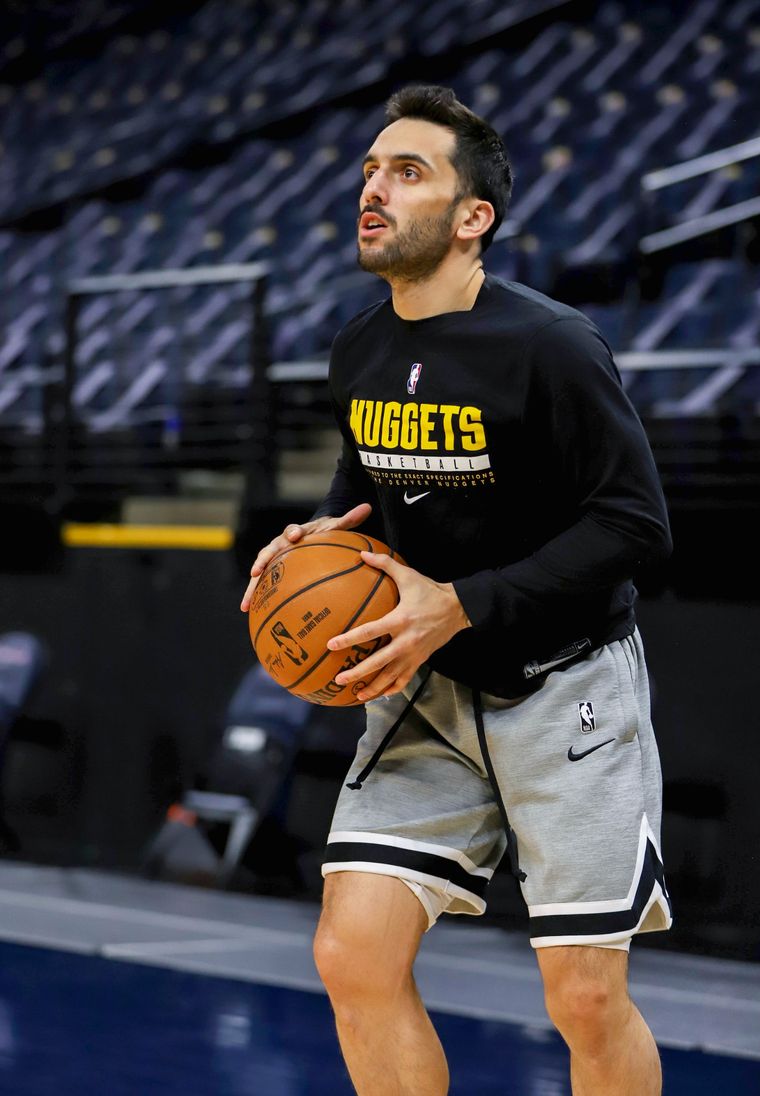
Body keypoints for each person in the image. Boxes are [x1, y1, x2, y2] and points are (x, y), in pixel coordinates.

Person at [241, 83, 673, 1096]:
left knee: (582, 997)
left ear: (472, 216)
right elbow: (372, 490)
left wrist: (464, 599)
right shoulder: (360, 347)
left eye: (406, 171)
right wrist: (322, 533)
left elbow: (634, 525)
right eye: (366, 170)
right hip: (424, 690)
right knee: (352, 955)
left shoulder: (551, 346)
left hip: (564, 692)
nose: (372, 189)